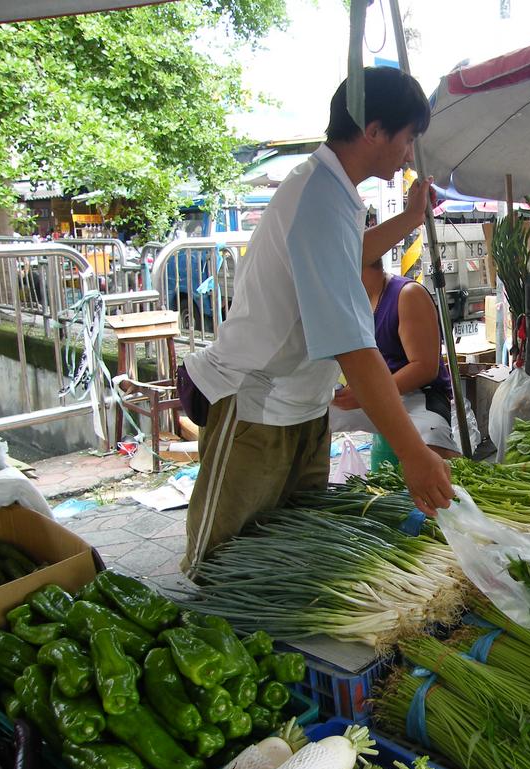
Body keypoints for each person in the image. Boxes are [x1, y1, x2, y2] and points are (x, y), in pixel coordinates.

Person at [177, 67, 454, 579]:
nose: (410, 152)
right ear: (373, 131)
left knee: (285, 555)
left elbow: (348, 255)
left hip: (301, 405)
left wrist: (411, 220)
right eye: (408, 137)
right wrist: (414, 454)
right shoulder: (319, 199)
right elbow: (355, 347)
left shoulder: (333, 189)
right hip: (257, 404)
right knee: (220, 564)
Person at [330, 248, 461, 458]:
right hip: (370, 393)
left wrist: (369, 393)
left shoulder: (407, 294)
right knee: (310, 413)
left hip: (418, 396)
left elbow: (425, 368)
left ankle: (453, 485)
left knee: (431, 442)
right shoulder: (350, 302)